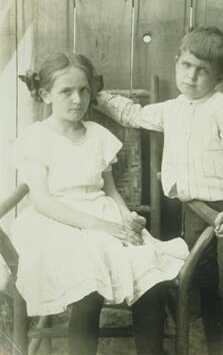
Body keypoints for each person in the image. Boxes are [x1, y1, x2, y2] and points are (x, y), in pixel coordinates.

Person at [94, 26, 223, 355]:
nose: (191, 76)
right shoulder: (174, 109)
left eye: (203, 71)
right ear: (176, 62)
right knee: (206, 287)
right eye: (186, 65)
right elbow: (133, 114)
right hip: (195, 211)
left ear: (220, 77)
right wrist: (97, 96)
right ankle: (214, 349)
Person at [11, 52, 189, 355]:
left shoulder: (97, 135)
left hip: (100, 211)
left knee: (148, 272)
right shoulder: (36, 138)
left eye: (83, 90)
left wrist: (125, 216)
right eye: (66, 91)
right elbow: (42, 201)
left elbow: (110, 190)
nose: (77, 99)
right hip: (53, 222)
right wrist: (102, 226)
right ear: (45, 95)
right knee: (88, 286)